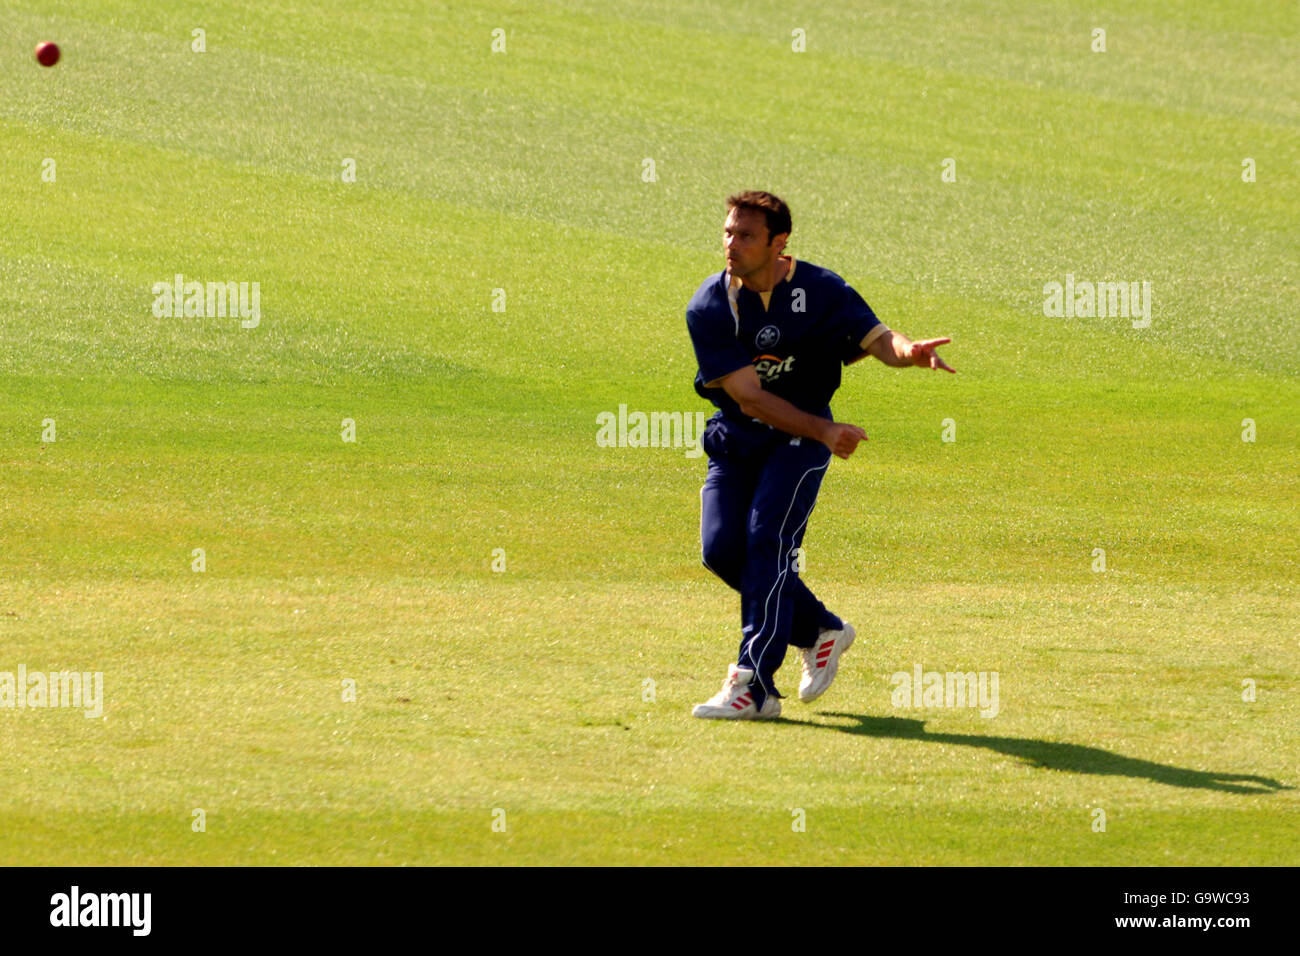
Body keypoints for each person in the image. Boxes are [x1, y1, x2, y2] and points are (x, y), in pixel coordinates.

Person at [686, 190, 955, 720]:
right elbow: (750, 397)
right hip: (742, 436)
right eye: (727, 232)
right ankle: (818, 629)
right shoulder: (711, 305)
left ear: (778, 242)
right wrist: (827, 430)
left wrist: (909, 353)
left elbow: (879, 340)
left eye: (745, 235)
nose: (731, 244)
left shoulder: (822, 290)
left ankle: (753, 685)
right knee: (721, 551)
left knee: (768, 540)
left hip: (797, 442)